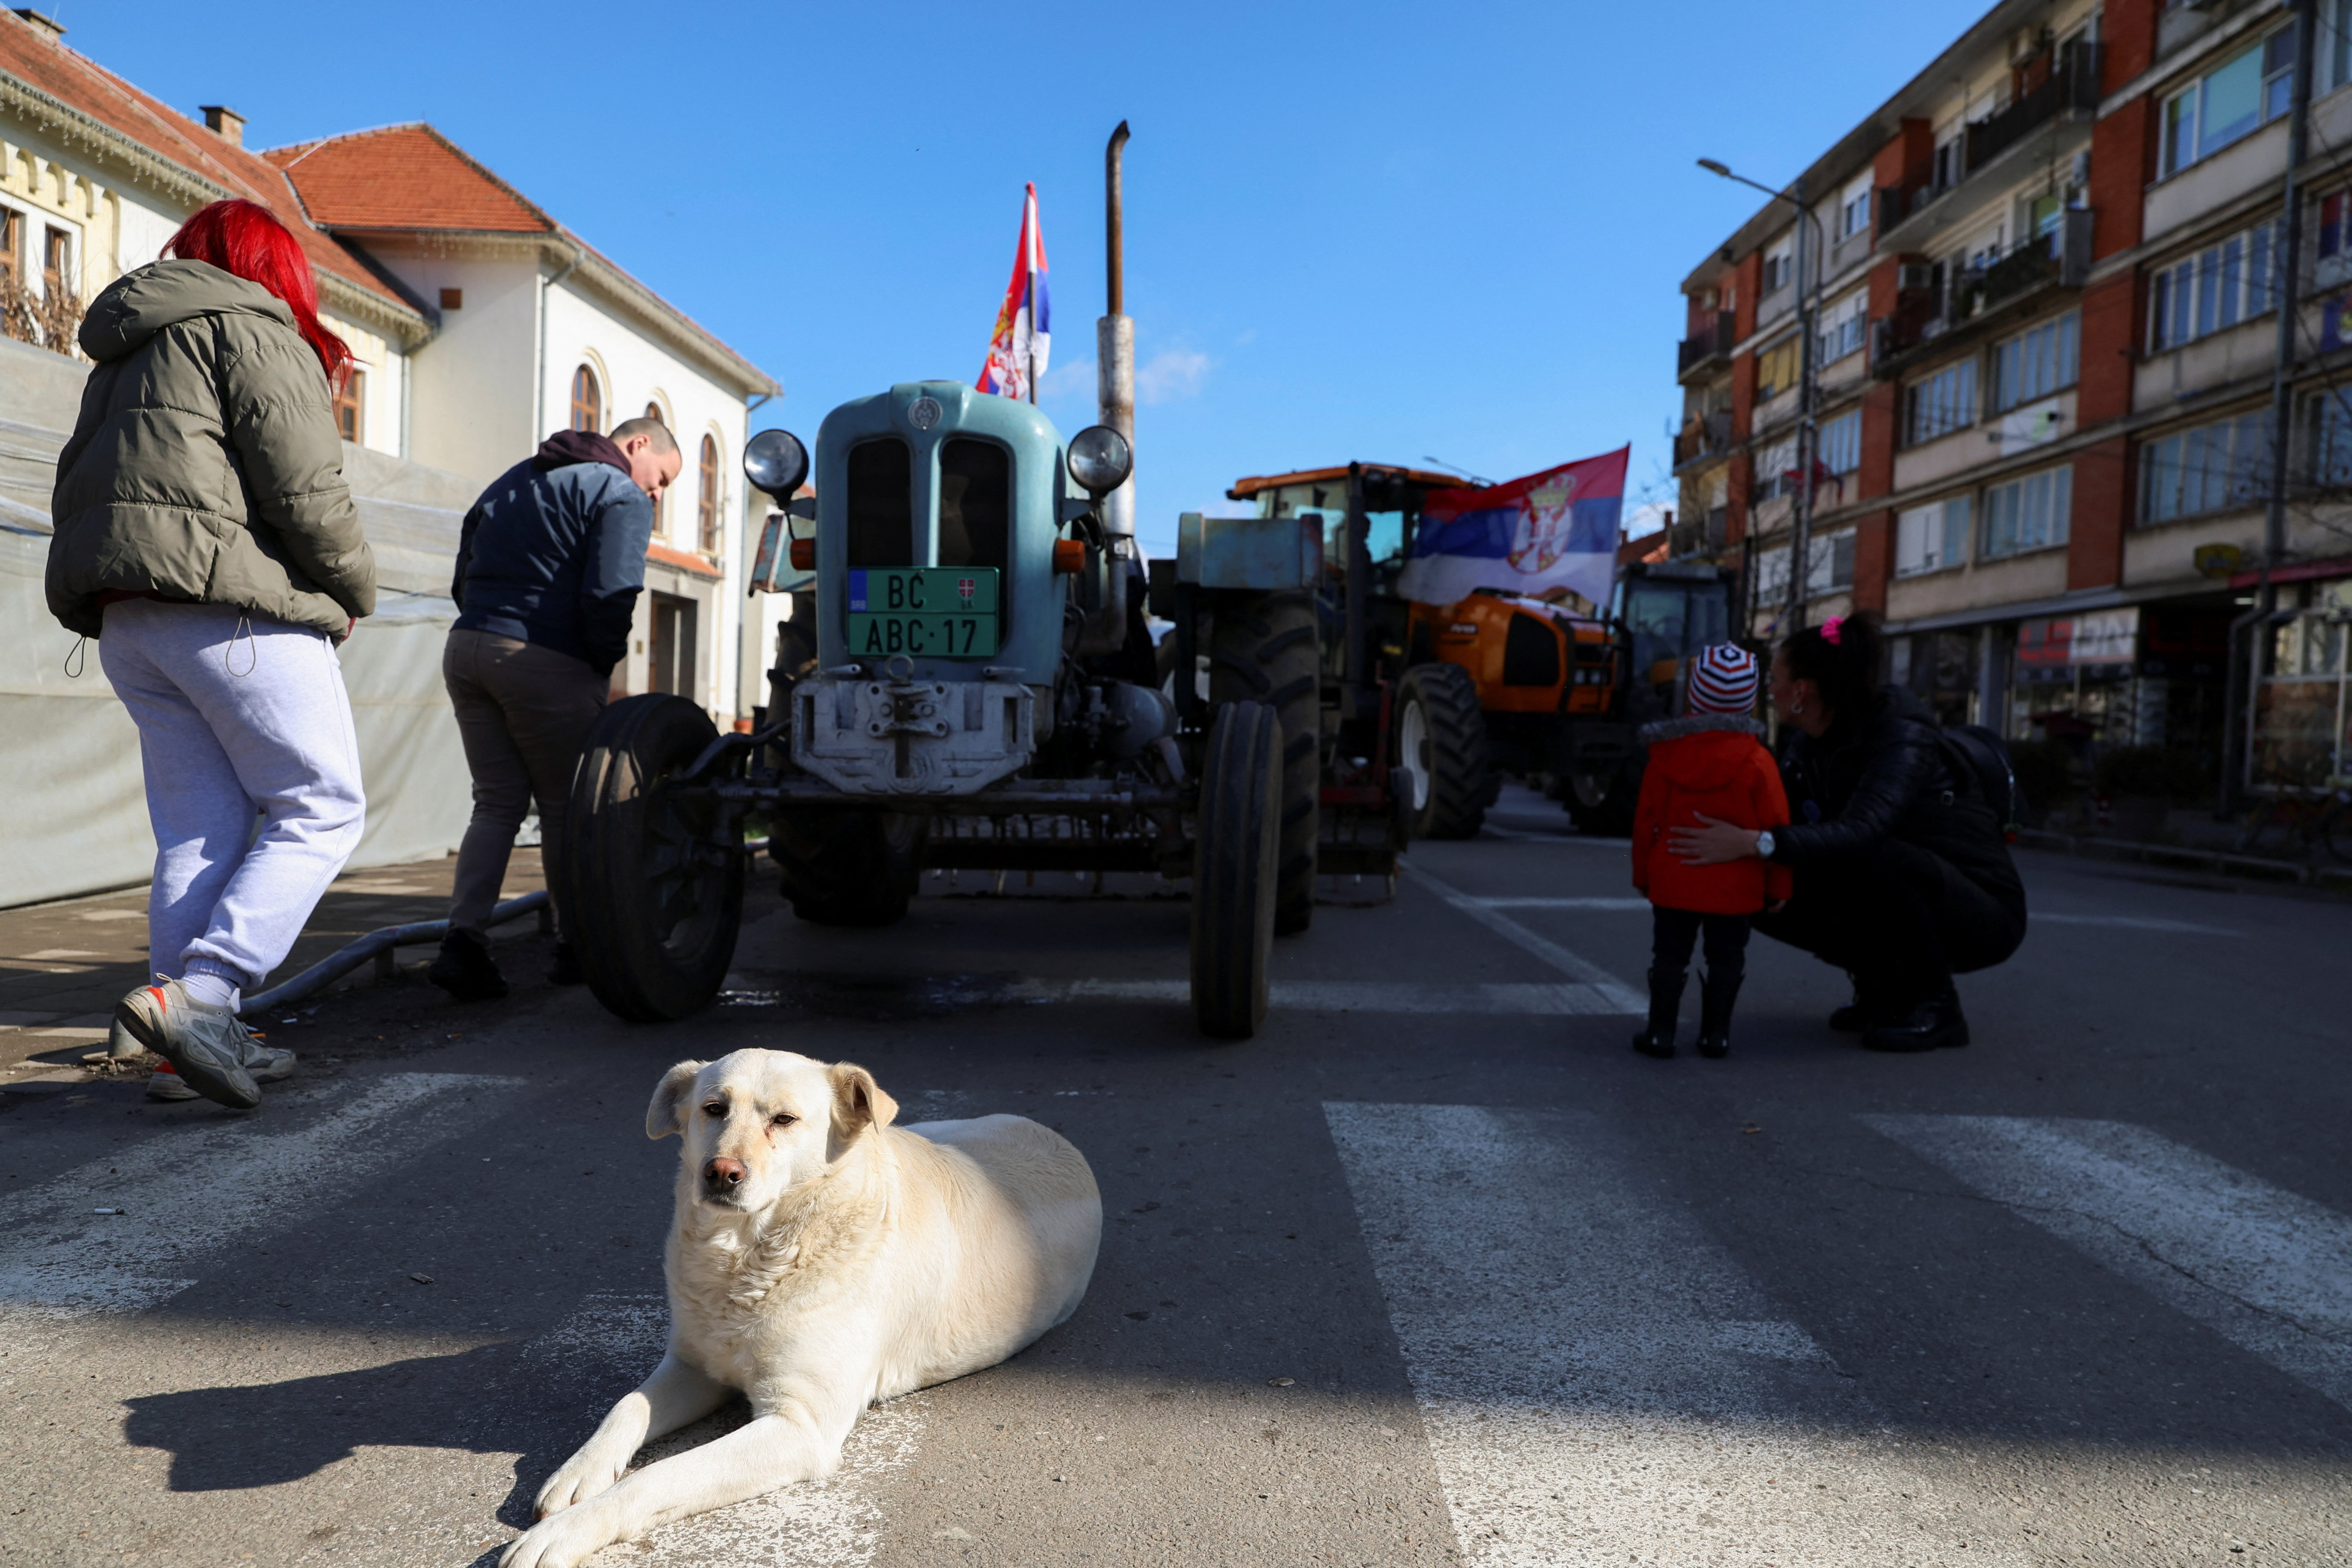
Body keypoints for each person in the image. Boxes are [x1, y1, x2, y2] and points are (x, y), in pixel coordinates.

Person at [47, 199, 374, 1110]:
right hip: (230, 610)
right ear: (277, 269)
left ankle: (181, 1047)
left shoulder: (127, 348)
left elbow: (75, 483)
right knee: (322, 805)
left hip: (130, 618)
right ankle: (207, 996)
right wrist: (352, 588)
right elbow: (306, 491)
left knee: (201, 828)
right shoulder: (252, 328)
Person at [1669, 613, 2026, 1053]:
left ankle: (1938, 1007)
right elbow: (1780, 821)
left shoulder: (1902, 736)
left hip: (1980, 913)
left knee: (1872, 856)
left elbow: (1864, 831)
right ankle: (1883, 991)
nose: (1769, 689)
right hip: (1910, 889)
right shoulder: (1808, 744)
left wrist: (1755, 843)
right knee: (1757, 888)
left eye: (1775, 678)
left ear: (1801, 690)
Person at [428, 417, 679, 1000]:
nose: (657, 492)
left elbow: (464, 568)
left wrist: (488, 622)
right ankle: (576, 945)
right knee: (567, 808)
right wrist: (598, 661)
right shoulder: (618, 492)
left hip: (467, 648)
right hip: (545, 656)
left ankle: (463, 944)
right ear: (639, 444)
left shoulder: (513, 479)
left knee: (496, 803)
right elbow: (611, 592)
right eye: (662, 477)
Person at [1628, 644, 1790, 1059]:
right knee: (1727, 958)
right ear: (1749, 700)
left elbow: (1646, 823)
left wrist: (1644, 875)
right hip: (1737, 885)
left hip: (1674, 878)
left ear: (1694, 694)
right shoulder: (1758, 761)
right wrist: (1779, 885)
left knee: (1669, 956)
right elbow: (1777, 827)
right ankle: (1716, 1035)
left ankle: (1660, 1033)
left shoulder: (1664, 756)